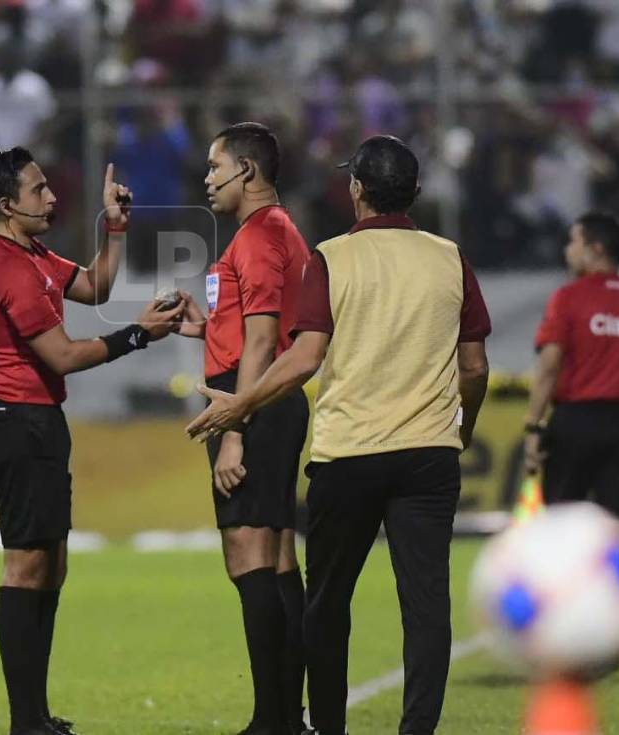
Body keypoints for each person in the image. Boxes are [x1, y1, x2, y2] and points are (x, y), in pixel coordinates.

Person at [187, 135, 492, 735]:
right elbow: (475, 366)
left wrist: (238, 409)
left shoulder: (331, 258)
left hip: (349, 452)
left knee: (327, 605)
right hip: (429, 455)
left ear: (356, 189)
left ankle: (326, 727)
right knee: (426, 605)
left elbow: (303, 359)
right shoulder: (450, 256)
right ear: (416, 192)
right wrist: (462, 427)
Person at [0, 147, 183, 735]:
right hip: (16, 423)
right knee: (25, 567)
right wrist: (139, 336)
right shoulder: (3, 263)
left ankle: (35, 715)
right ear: (8, 205)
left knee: (50, 565)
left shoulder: (28, 251)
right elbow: (60, 355)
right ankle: (24, 722)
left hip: (36, 423)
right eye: (39, 190)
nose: (52, 196)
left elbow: (93, 286)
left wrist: (114, 229)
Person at [175, 122, 310, 735]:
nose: (207, 178)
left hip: (251, 402)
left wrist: (234, 423)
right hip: (268, 398)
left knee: (248, 553)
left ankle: (272, 720)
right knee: (278, 555)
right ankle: (286, 715)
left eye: (214, 165)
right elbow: (262, 328)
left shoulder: (258, 236)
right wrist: (209, 327)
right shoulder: (279, 233)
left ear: (246, 171)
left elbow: (261, 339)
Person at [523, 211, 619, 526]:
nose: (567, 251)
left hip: (574, 422)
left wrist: (534, 426)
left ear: (595, 249)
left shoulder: (568, 298)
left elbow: (549, 366)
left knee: (562, 528)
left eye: (574, 241)